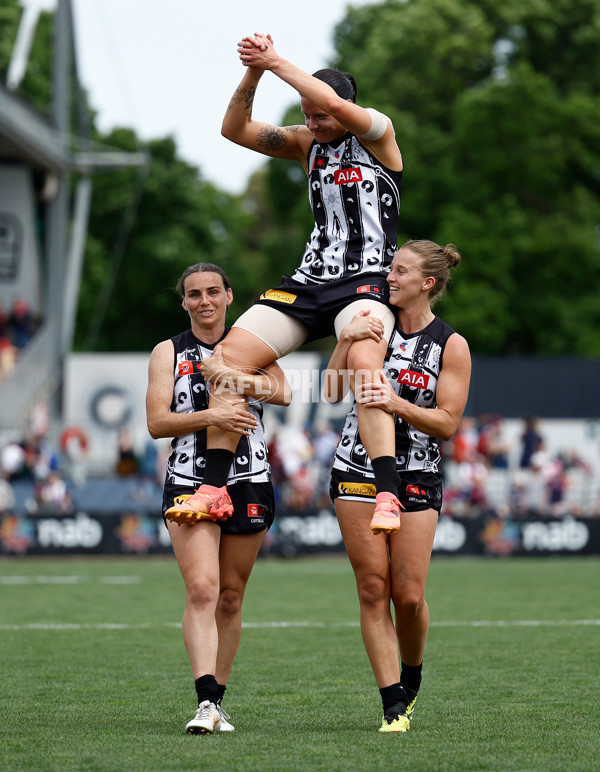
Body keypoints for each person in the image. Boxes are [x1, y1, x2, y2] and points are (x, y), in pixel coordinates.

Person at [165, 32, 405, 531]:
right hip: (308, 279)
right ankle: (212, 489)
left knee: (362, 362)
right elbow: (233, 130)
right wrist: (254, 70)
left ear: (346, 108)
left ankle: (387, 495)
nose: (313, 122)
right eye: (306, 114)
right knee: (223, 360)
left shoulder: (379, 137)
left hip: (365, 279)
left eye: (321, 114)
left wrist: (275, 60)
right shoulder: (305, 143)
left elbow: (333, 103)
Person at [325, 239, 471, 732]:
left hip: (416, 474)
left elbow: (447, 423)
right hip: (356, 469)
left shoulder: (451, 344)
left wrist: (396, 403)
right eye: (391, 268)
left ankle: (412, 673)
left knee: (407, 596)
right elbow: (329, 391)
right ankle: (392, 704)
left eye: (401, 271)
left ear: (427, 283)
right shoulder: (372, 324)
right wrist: (346, 338)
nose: (389, 276)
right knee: (372, 587)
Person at [146, 262, 290, 735]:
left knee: (230, 596)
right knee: (203, 589)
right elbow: (157, 423)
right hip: (189, 479)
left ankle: (219, 701)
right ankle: (205, 702)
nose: (204, 301)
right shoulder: (167, 352)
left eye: (213, 291)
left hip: (250, 477)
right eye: (193, 294)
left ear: (230, 296)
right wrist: (212, 415)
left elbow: (283, 392)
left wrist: (236, 379)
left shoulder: (251, 343)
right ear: (183, 301)